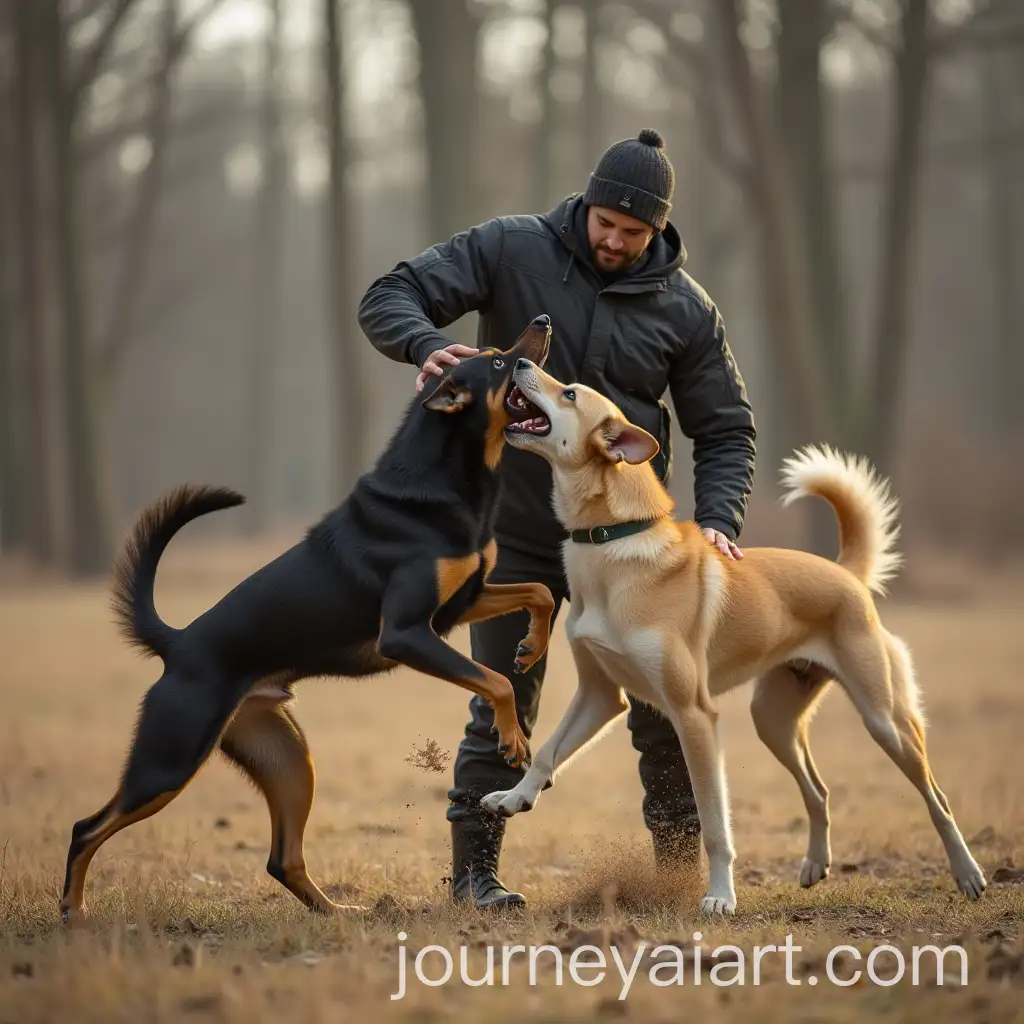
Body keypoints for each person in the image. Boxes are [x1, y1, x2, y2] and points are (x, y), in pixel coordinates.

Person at [358, 128, 756, 910]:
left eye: (632, 231)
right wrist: (425, 345)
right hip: (512, 529)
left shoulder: (686, 308)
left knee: (665, 717)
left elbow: (727, 426)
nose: (614, 239)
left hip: (634, 550)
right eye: (606, 221)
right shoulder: (511, 248)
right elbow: (389, 294)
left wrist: (719, 518)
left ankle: (675, 877)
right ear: (588, 202)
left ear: (658, 229)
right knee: (503, 695)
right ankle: (474, 877)